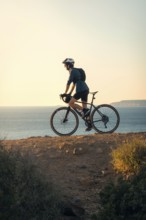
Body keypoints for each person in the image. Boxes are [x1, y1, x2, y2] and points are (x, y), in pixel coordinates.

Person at [62, 58, 92, 131]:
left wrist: (65, 93)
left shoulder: (72, 71)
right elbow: (73, 85)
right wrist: (69, 93)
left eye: (65, 64)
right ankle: (90, 125)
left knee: (71, 103)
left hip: (81, 90)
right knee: (86, 111)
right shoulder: (75, 71)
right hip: (85, 89)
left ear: (69, 65)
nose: (64, 66)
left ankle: (83, 110)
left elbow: (69, 83)